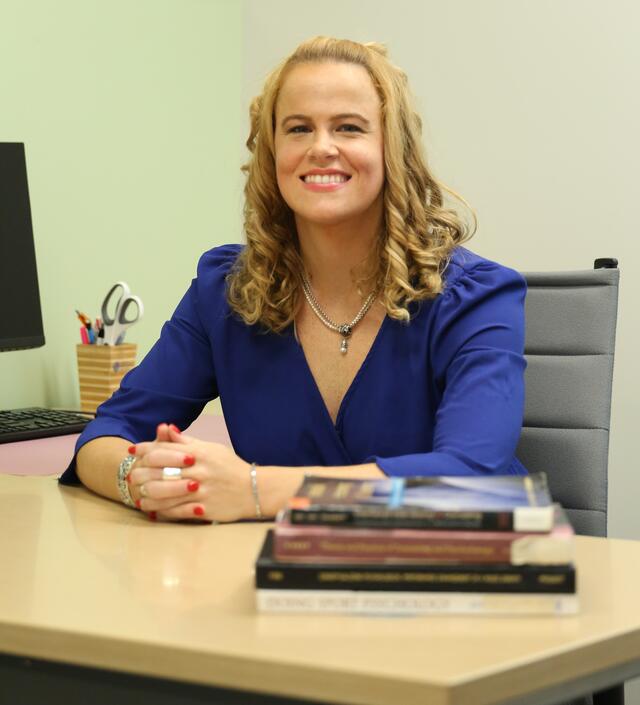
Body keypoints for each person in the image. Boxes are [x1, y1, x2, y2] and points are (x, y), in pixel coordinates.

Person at [60, 36, 527, 522]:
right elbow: (106, 435)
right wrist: (147, 480)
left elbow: (469, 477)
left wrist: (255, 490)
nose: (321, 148)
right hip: (283, 578)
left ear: (393, 149)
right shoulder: (226, 292)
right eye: (298, 128)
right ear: (273, 152)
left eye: (349, 127)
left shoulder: (478, 297)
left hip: (457, 576)